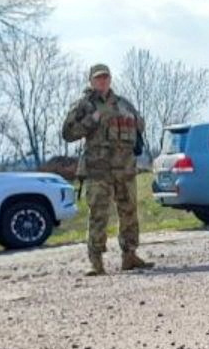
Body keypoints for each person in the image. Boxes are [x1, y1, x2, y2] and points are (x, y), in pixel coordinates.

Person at [60, 64, 150, 275]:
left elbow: (140, 126)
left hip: (125, 169)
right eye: (98, 78)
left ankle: (130, 255)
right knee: (99, 214)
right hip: (98, 170)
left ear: (110, 79)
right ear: (91, 81)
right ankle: (96, 261)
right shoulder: (84, 105)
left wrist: (133, 123)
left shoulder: (123, 104)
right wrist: (92, 121)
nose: (102, 81)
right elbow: (68, 133)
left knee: (129, 211)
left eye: (105, 77)